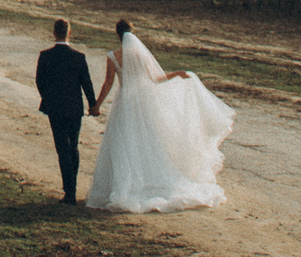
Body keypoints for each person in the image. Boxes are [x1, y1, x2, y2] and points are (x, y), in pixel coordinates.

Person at [85, 17, 233, 213]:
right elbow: (156, 79)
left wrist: (96, 105)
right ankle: (151, 182)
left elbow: (108, 84)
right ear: (132, 32)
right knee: (150, 143)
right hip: (145, 104)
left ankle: (124, 187)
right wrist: (177, 74)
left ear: (117, 34)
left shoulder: (113, 56)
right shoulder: (142, 55)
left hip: (126, 105)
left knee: (125, 144)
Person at [33, 18, 97, 203]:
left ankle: (69, 192)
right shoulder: (79, 57)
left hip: (55, 109)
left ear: (54, 33)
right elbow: (87, 83)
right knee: (73, 147)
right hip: (75, 108)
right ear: (69, 33)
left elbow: (40, 82)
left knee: (62, 148)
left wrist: (48, 98)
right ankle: (72, 189)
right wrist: (93, 104)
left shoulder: (45, 56)